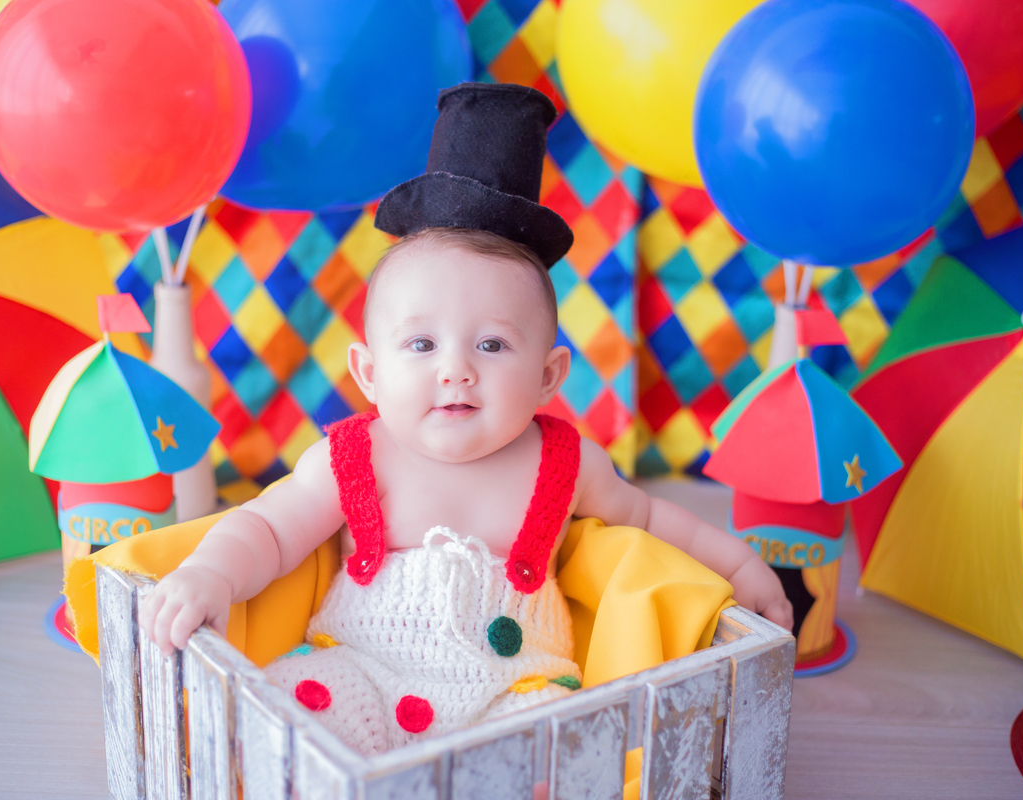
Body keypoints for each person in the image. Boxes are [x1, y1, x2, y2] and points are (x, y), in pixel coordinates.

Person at [140, 83, 791, 755]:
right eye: (422, 345)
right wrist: (212, 573)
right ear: (369, 373)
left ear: (547, 376)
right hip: (363, 669)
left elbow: (652, 522)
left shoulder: (564, 464)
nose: (456, 370)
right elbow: (268, 530)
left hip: (514, 691)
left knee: (567, 752)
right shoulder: (354, 459)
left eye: (492, 345)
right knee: (287, 715)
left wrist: (740, 567)